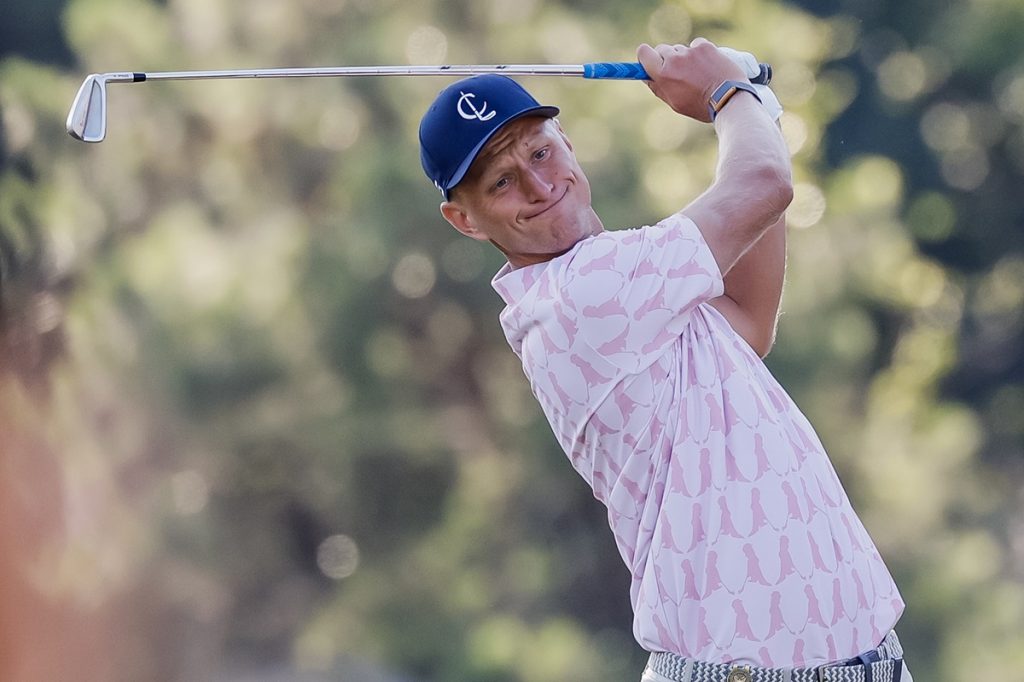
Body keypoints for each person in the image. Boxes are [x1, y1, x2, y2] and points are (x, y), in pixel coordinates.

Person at [419, 39, 911, 682]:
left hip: (866, 664)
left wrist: (754, 105)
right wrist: (728, 94)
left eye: (541, 151)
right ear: (465, 219)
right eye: (503, 181)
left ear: (567, 143)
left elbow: (748, 322)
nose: (540, 185)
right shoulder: (582, 296)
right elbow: (762, 184)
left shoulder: (629, 289)